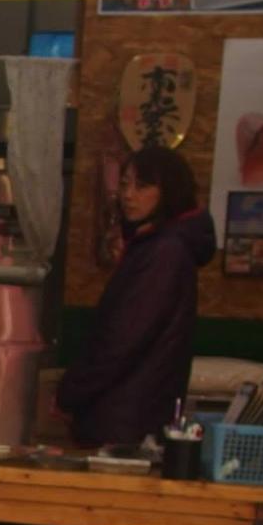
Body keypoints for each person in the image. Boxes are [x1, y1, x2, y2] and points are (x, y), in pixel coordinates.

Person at [56, 145, 214, 448]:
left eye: (142, 186)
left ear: (168, 191)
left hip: (127, 420)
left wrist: (70, 394)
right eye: (125, 184)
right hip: (124, 414)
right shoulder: (152, 245)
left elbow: (123, 339)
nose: (128, 195)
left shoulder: (166, 252)